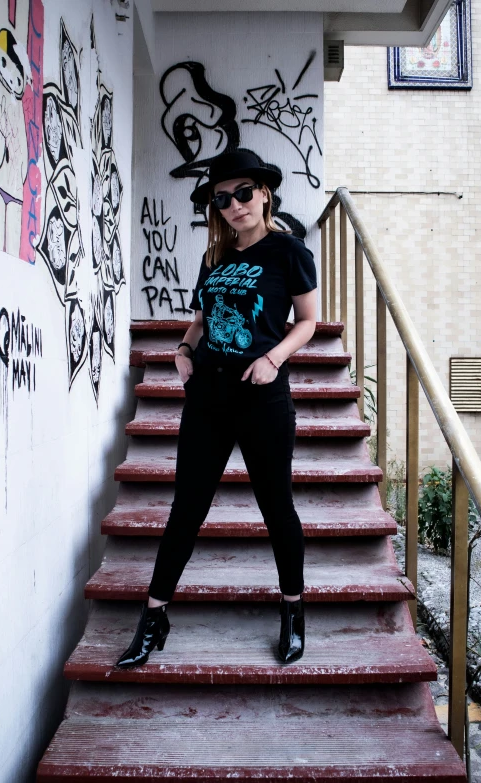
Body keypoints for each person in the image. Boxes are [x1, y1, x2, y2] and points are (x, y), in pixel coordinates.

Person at [116, 149, 317, 668]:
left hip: (262, 394)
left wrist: (274, 358)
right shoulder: (214, 258)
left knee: (277, 507)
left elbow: (308, 322)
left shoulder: (289, 251)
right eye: (222, 198)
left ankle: (293, 611)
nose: (233, 205)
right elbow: (202, 320)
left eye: (243, 193)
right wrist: (183, 351)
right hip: (209, 392)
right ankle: (154, 617)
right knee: (187, 507)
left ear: (264, 192)